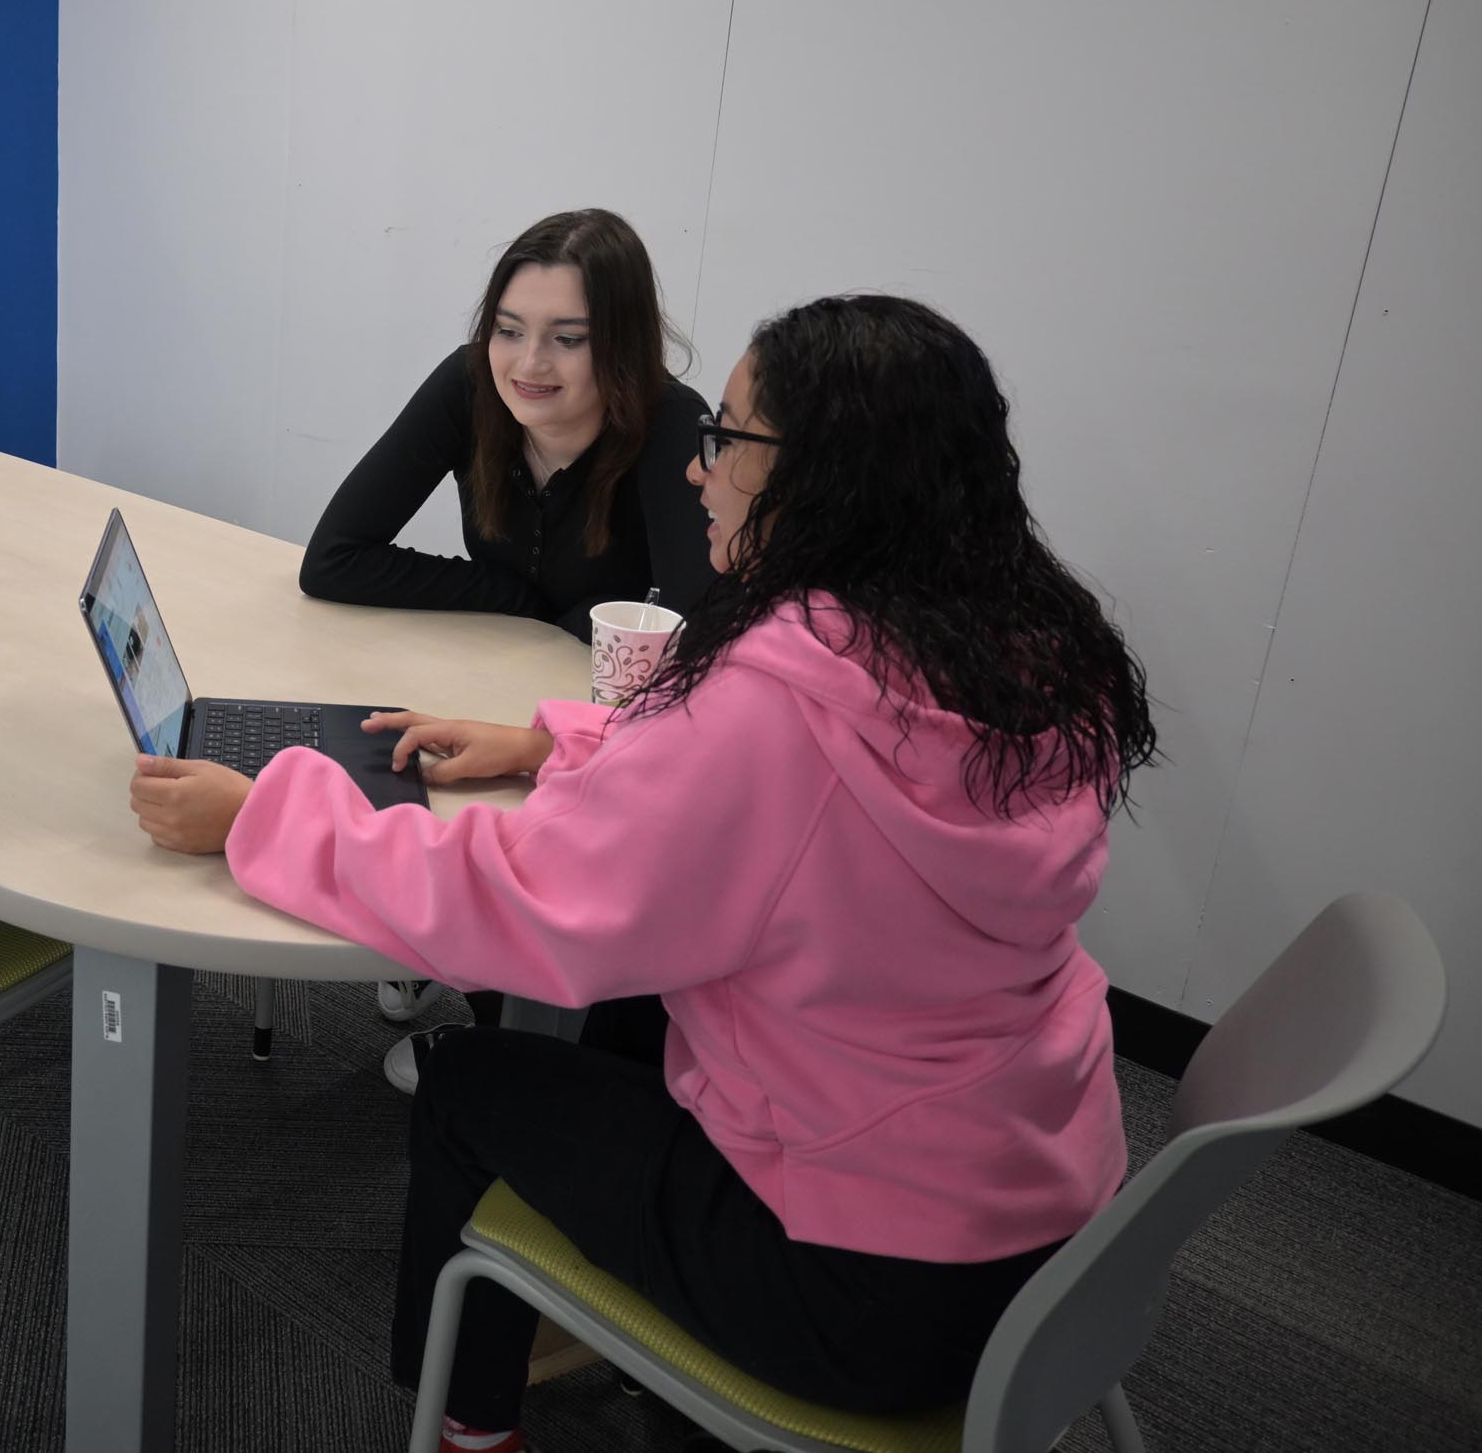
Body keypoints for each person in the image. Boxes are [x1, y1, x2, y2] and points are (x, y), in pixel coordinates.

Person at [129, 294, 1157, 1452]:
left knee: (468, 1082)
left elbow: (523, 904)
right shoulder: (1015, 647)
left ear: (823, 476)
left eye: (727, 437)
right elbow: (767, 814)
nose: (697, 470)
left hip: (865, 1293)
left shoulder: (776, 703)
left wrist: (265, 815)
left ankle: (464, 1421)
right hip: (1049, 1235)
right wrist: (550, 742)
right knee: (631, 1014)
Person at [298, 208, 714, 1077]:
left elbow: (694, 626)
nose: (530, 363)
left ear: (623, 345)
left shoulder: (672, 425)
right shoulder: (470, 386)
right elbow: (334, 557)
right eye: (510, 329)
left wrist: (550, 619)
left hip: (607, 731)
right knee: (389, 762)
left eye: (569, 338)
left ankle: (498, 1039)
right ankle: (440, 948)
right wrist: (517, 600)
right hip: (487, 689)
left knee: (524, 856)